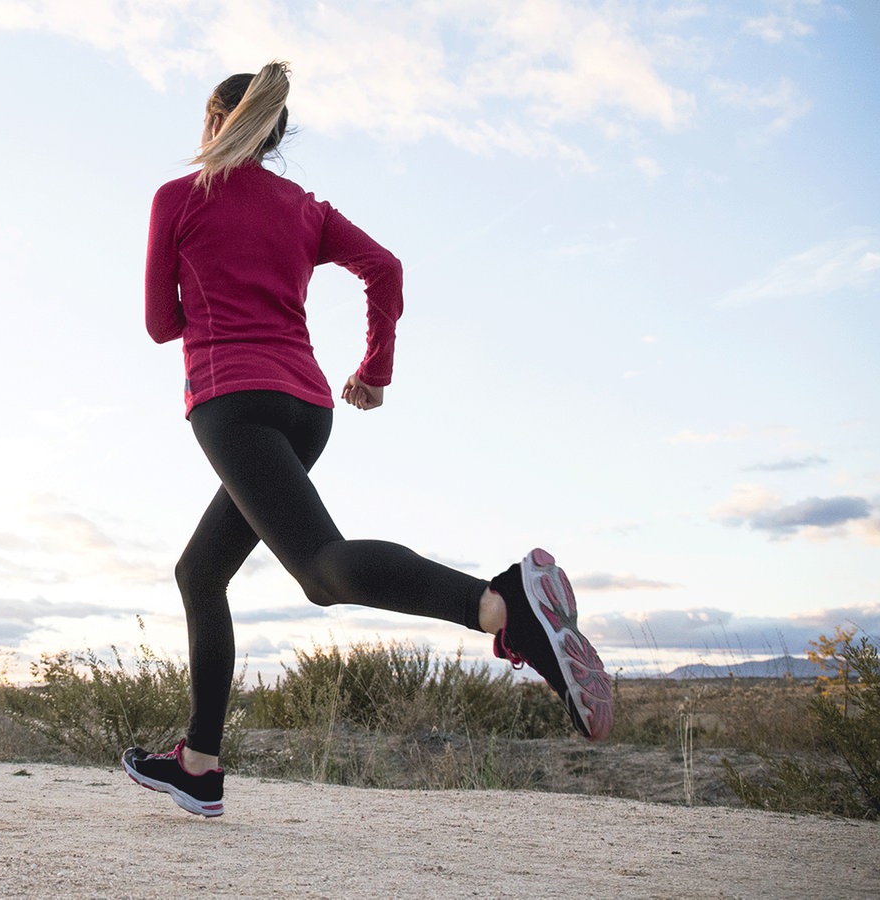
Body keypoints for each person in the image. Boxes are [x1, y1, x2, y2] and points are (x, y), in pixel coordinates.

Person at [120, 61, 614, 818]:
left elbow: (160, 324)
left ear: (214, 120)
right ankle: (199, 763)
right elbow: (383, 267)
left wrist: (211, 297)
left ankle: (502, 605)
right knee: (200, 573)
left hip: (232, 402)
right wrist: (374, 370)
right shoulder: (304, 208)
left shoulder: (179, 198)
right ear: (274, 133)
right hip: (307, 408)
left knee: (321, 571)